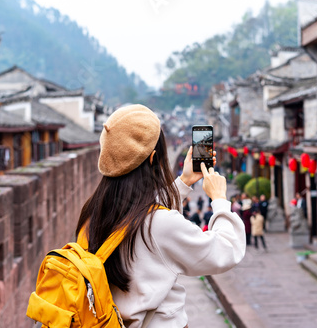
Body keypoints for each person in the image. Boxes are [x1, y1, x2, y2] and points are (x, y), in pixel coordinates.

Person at [75, 104, 246, 328]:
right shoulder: (158, 225)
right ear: (154, 158)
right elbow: (226, 251)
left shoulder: (93, 211)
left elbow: (143, 214)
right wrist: (220, 200)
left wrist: (183, 183)